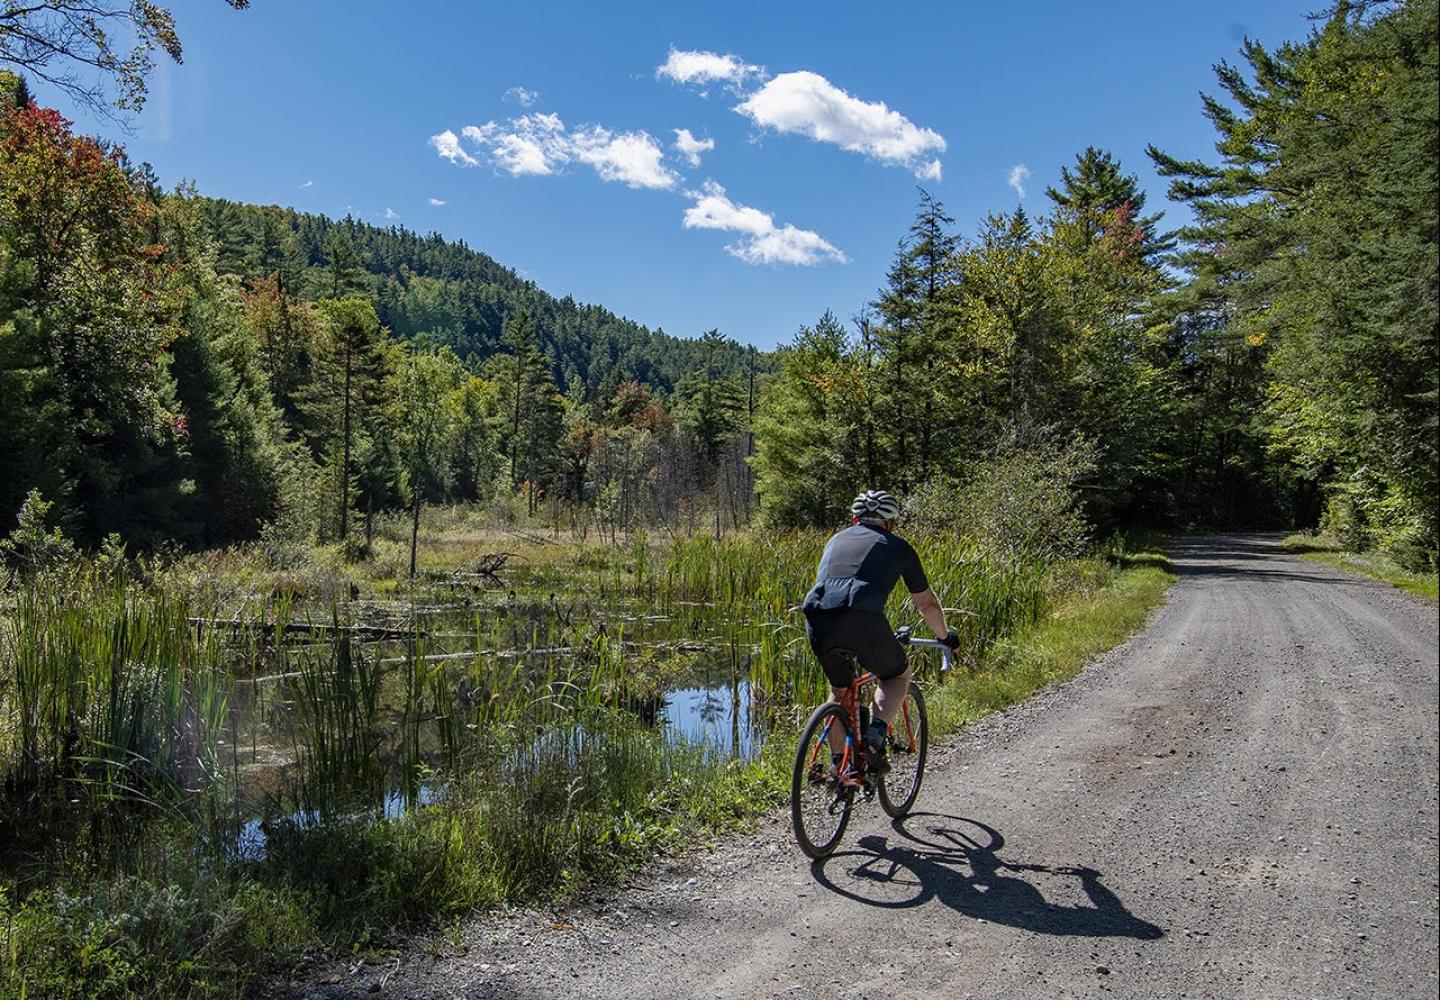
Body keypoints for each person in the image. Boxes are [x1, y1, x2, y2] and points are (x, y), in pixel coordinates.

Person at [801, 489, 959, 775]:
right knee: (896, 675)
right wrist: (945, 637)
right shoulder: (897, 546)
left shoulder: (835, 540)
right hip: (862, 616)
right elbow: (926, 604)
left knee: (839, 692)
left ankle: (840, 769)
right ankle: (875, 735)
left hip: (816, 616)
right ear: (891, 523)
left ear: (854, 519)